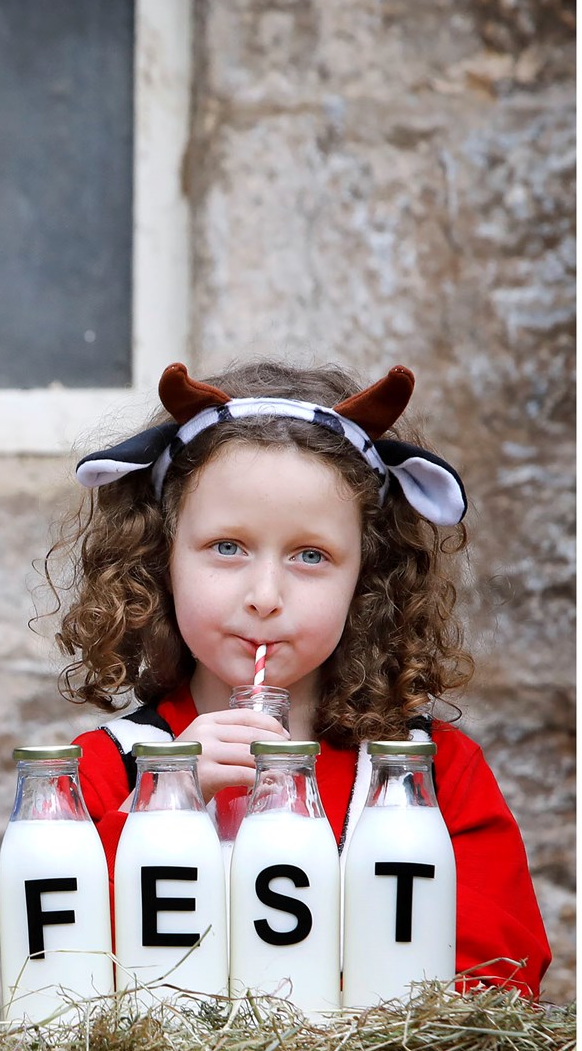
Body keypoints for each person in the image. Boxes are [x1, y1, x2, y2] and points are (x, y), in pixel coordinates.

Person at [49, 356, 551, 998]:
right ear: (159, 558)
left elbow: (500, 973)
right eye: (227, 547)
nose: (264, 595)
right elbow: (59, 962)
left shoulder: (432, 776)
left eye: (310, 556)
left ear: (366, 581)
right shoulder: (94, 774)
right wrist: (162, 804)